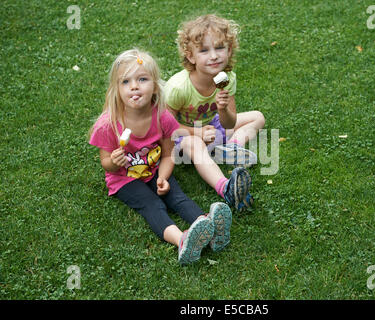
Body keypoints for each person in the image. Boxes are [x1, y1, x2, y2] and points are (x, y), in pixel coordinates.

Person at [89, 49, 233, 265]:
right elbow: (106, 164)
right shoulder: (108, 125)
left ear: (155, 86)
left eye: (142, 79)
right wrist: (113, 162)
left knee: (178, 198)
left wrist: (164, 177)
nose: (134, 86)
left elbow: (167, 154)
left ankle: (210, 227)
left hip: (155, 170)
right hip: (124, 179)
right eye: (125, 82)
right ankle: (182, 240)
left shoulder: (162, 117)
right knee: (152, 205)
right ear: (116, 90)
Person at [165, 14, 265, 212]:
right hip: (184, 139)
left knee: (257, 117)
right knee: (194, 143)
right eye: (204, 50)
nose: (214, 56)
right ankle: (225, 187)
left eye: (220, 48)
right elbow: (166, 127)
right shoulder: (179, 87)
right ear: (190, 56)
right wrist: (198, 134)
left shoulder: (228, 79)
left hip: (214, 127)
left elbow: (229, 123)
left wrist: (223, 109)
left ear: (229, 50)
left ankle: (232, 149)